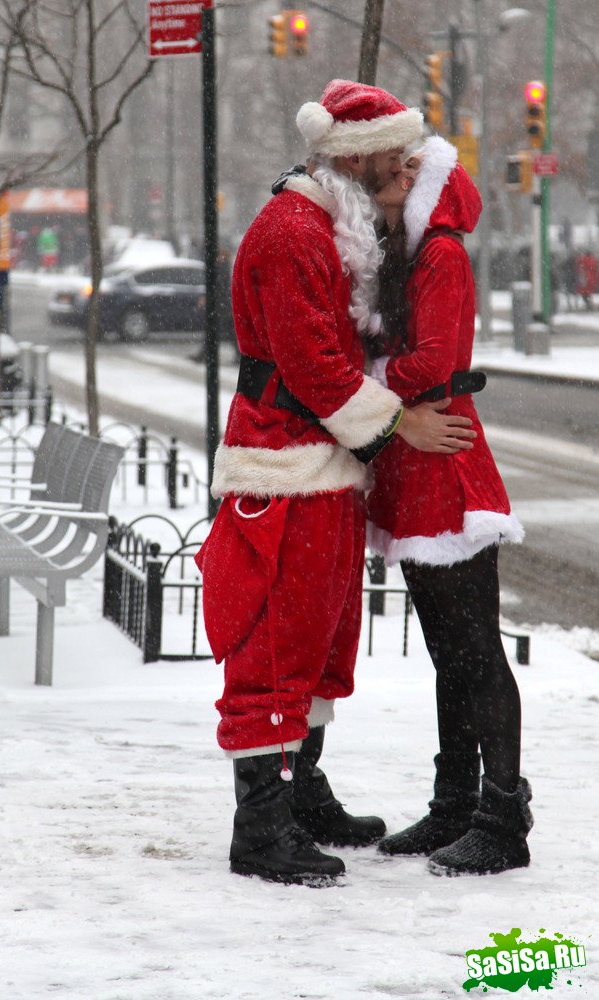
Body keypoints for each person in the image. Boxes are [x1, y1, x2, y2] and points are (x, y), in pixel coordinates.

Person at [195, 81, 477, 887]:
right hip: (283, 469)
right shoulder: (293, 233)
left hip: (318, 467)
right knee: (275, 648)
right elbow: (316, 365)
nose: (405, 168)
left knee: (318, 646)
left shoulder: (330, 224)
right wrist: (401, 423)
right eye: (394, 157)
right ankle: (261, 827)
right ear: (352, 161)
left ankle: (300, 794)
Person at [365, 135, 533, 876]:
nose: (394, 174)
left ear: (428, 179)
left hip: (446, 466)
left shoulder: (440, 253)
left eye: (410, 166)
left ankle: (500, 819)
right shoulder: (402, 253)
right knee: (446, 651)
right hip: (415, 459)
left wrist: (366, 375)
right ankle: (453, 805)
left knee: (474, 651)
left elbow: (433, 359)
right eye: (389, 165)